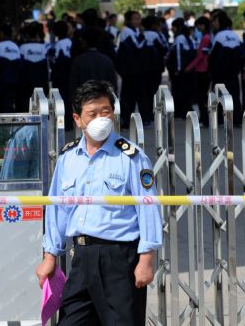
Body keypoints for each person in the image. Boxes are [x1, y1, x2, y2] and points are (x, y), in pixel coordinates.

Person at [36, 80, 162, 326]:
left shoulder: (132, 157)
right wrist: (50, 255)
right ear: (77, 119)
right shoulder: (68, 158)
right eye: (92, 114)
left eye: (105, 112)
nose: (100, 119)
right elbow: (57, 210)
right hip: (81, 256)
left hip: (119, 259)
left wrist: (146, 259)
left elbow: (148, 208)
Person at [209, 12, 243, 124]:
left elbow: (213, 54)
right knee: (234, 94)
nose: (214, 23)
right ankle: (237, 118)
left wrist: (211, 70)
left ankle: (218, 119)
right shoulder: (234, 35)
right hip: (234, 71)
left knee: (218, 94)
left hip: (221, 70)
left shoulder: (219, 35)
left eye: (215, 21)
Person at [70, 26, 118, 99]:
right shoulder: (107, 60)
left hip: (84, 101)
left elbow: (74, 85)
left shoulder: (78, 61)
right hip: (103, 99)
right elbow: (113, 84)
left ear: (84, 41)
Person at [117, 10, 146, 129]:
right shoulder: (127, 32)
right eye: (134, 19)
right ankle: (126, 120)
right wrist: (142, 35)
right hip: (130, 70)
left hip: (134, 69)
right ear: (128, 20)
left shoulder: (133, 31)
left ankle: (129, 119)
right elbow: (137, 47)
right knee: (128, 96)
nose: (137, 21)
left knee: (132, 95)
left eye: (138, 19)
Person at [166, 18, 197, 119]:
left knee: (179, 91)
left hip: (180, 71)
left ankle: (180, 112)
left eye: (173, 27)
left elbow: (178, 55)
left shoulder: (179, 38)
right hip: (187, 69)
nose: (172, 29)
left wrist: (178, 69)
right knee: (186, 90)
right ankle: (186, 110)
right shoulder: (187, 37)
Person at [141, 15, 168, 125]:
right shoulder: (156, 35)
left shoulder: (140, 34)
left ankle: (145, 116)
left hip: (143, 68)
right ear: (154, 25)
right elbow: (164, 48)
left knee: (144, 92)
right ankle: (153, 115)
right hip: (155, 67)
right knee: (154, 92)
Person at [185, 16, 212, 127]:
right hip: (205, 69)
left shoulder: (205, 38)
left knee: (200, 96)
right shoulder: (209, 36)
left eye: (199, 26)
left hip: (202, 69)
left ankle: (204, 119)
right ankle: (204, 118)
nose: (198, 29)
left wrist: (189, 67)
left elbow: (201, 55)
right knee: (203, 96)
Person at [19, 22, 50, 112]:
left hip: (26, 81)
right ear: (37, 34)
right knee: (40, 106)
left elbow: (20, 66)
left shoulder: (22, 47)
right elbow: (46, 67)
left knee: (27, 105)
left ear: (27, 35)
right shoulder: (43, 47)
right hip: (40, 80)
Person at [50, 20, 74, 129]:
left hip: (60, 74)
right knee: (68, 99)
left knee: (60, 99)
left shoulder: (57, 44)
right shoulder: (70, 42)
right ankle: (69, 122)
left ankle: (63, 122)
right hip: (69, 73)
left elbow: (54, 60)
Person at [0, 24, 21, 113]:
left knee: (1, 105)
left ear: (1, 33)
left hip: (1, 81)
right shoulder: (16, 46)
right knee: (9, 104)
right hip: (15, 81)